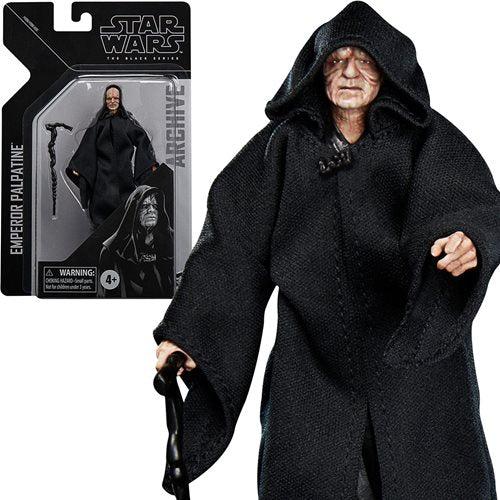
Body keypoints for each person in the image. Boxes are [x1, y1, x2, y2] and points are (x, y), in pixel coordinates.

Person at [154, 2, 500, 498]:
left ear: (387, 71)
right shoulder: (283, 148)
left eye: (365, 61)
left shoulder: (427, 140)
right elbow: (231, 246)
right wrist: (191, 333)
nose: (350, 72)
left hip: (415, 368)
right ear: (317, 73)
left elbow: (469, 202)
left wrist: (465, 240)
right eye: (337, 61)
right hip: (312, 367)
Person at [66, 84, 158, 228]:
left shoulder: (127, 123)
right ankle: (100, 229)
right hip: (103, 175)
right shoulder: (99, 124)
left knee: (127, 204)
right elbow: (87, 145)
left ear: (120, 100)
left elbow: (142, 140)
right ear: (105, 100)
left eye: (116, 98)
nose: (112, 101)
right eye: (109, 98)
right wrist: (79, 167)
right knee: (101, 204)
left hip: (125, 174)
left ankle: (126, 229)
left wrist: (148, 164)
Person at [98, 185, 173, 298]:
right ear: (134, 211)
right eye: (145, 206)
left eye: (155, 206)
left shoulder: (170, 241)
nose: (151, 210)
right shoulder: (112, 251)